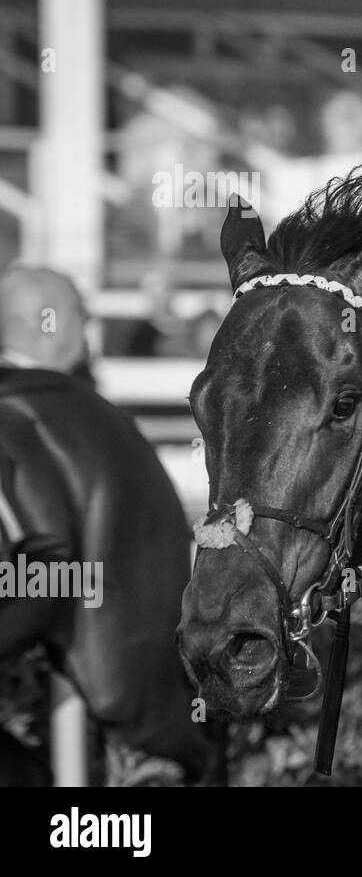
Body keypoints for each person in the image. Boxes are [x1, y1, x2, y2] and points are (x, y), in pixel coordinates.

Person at [0, 265, 218, 784]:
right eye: (81, 314)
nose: (91, 327)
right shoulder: (100, 422)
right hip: (133, 705)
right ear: (49, 324)